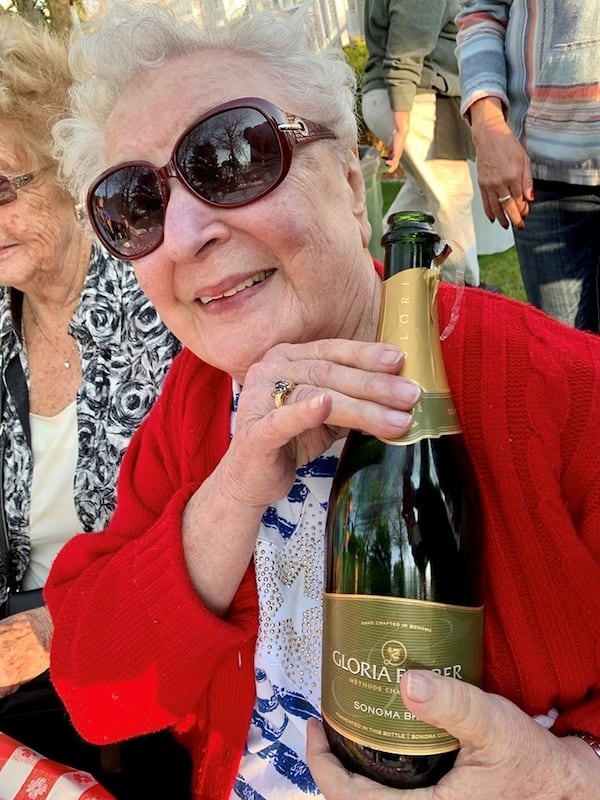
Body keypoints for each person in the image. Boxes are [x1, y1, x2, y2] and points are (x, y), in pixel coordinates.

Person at [44, 4, 599, 799]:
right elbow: (98, 693)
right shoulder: (194, 407)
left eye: (232, 158)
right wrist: (232, 491)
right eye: (136, 205)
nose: (187, 231)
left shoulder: (569, 396)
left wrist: (565, 777)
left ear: (347, 183)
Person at [0, 14, 188, 799]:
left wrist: (54, 629)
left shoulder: (166, 304)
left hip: (134, 653)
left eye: (3, 189)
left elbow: (205, 523)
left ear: (73, 172)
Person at [456, 0, 600, 332]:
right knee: (566, 369)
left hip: (540, 176)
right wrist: (487, 124)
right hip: (543, 173)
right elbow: (481, 11)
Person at [361, 0, 481, 286]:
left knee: (422, 194)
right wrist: (402, 124)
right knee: (453, 198)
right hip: (413, 99)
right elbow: (407, 48)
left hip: (402, 97)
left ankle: (378, 264)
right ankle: (465, 292)